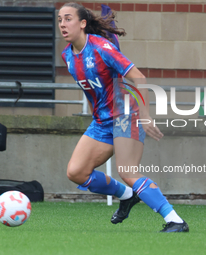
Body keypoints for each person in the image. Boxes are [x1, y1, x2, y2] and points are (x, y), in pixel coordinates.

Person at [58, 2, 189, 232]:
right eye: (60, 20)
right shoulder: (68, 56)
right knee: (76, 172)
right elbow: (91, 90)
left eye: (68, 19)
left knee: (127, 171)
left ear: (83, 23)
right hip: (102, 121)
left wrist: (146, 115)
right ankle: (127, 196)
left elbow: (139, 77)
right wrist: (96, 114)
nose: (62, 24)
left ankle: (175, 220)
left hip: (126, 115)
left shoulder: (102, 47)